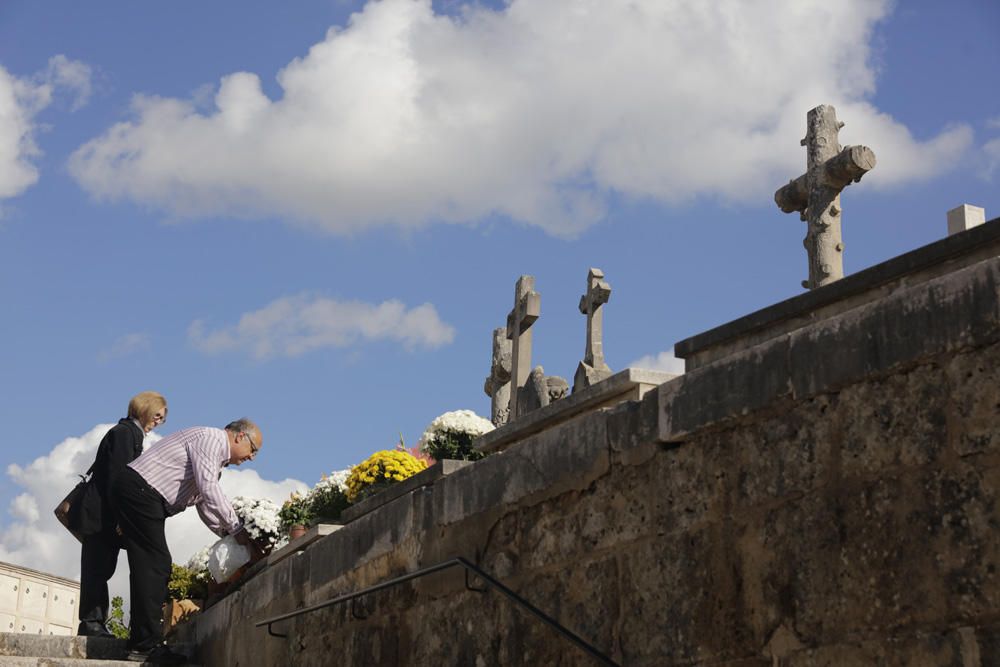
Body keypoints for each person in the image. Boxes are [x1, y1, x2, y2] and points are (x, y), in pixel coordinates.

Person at [113, 418, 263, 664]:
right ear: (239, 437)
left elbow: (202, 503)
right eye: (253, 450)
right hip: (141, 491)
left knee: (150, 565)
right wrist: (236, 529)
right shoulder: (212, 440)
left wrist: (225, 534)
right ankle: (144, 646)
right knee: (155, 565)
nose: (251, 458)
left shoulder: (216, 459)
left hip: (145, 496)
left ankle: (142, 642)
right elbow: (208, 489)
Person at [77, 391, 168, 638]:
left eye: (162, 418)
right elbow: (118, 479)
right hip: (103, 514)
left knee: (100, 568)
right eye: (157, 415)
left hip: (105, 513)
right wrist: (123, 518)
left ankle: (94, 622)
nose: (158, 421)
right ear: (144, 409)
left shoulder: (128, 433)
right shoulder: (126, 434)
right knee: (97, 568)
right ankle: (91, 622)